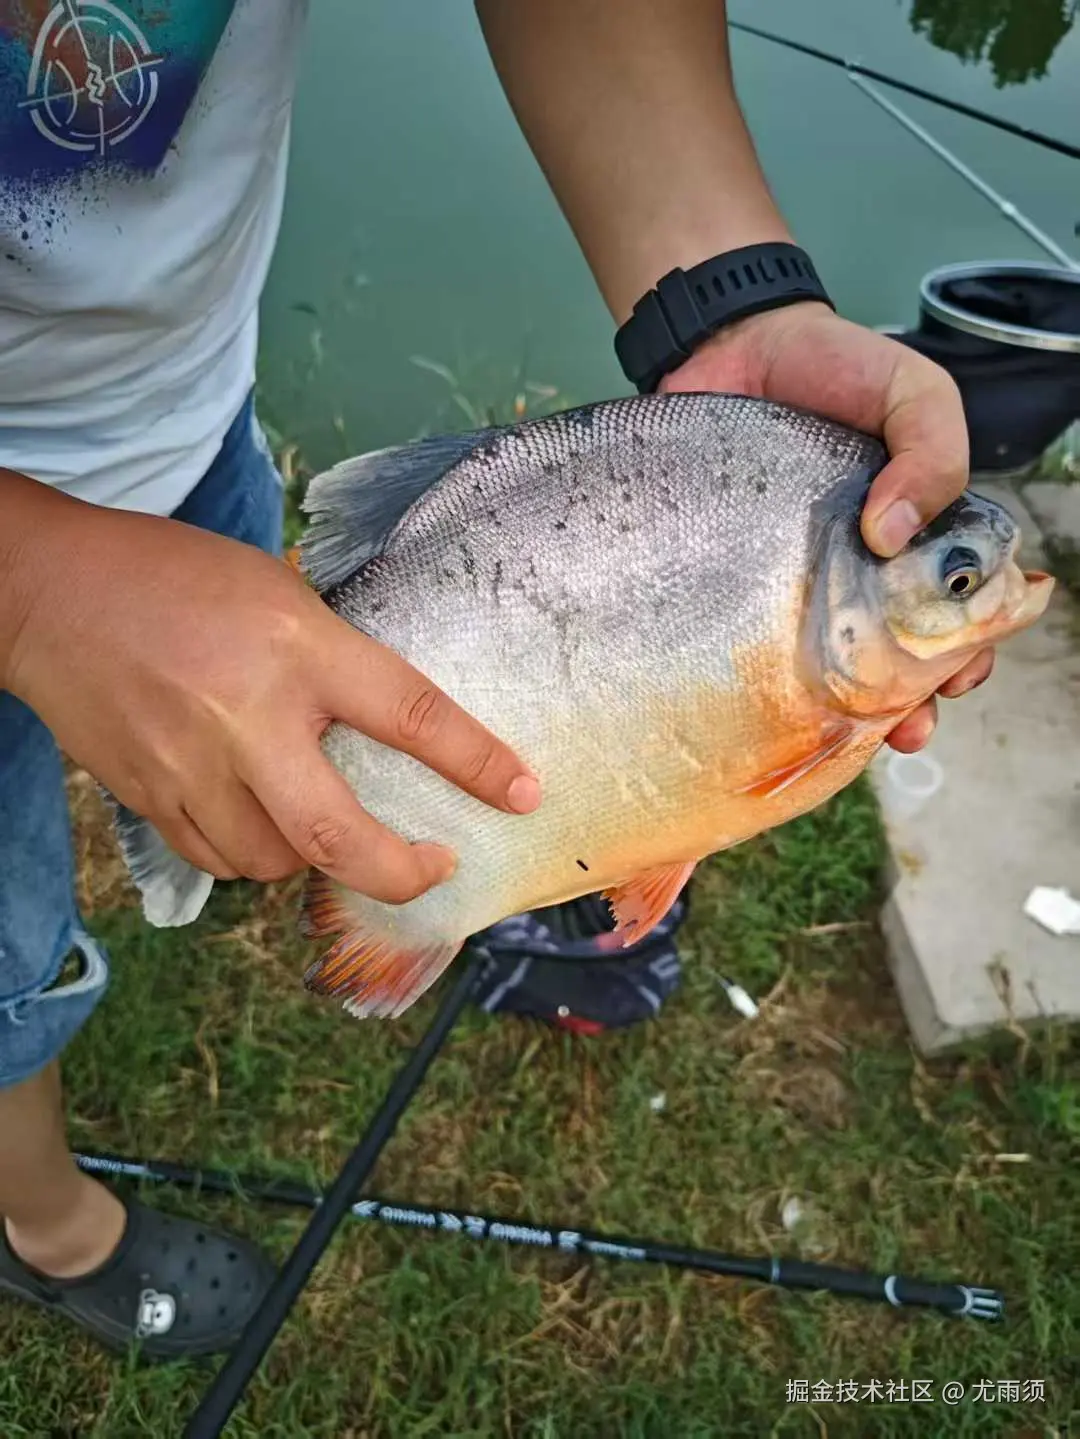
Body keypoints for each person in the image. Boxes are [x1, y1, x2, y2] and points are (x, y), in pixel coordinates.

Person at [0, 0, 994, 1360]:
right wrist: (38, 591)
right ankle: (44, 1224)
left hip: (182, 400)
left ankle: (447, 859)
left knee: (266, 766)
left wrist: (729, 291)